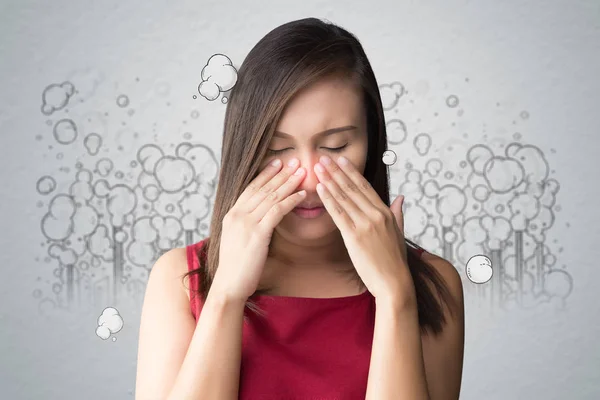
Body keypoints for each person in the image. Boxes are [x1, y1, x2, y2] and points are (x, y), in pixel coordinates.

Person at [135, 17, 464, 400]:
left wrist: (395, 296)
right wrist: (225, 295)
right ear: (246, 151)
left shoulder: (432, 285)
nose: (308, 178)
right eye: (277, 150)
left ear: (371, 143)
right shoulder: (180, 278)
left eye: (336, 146)